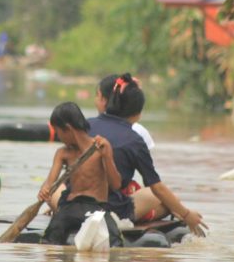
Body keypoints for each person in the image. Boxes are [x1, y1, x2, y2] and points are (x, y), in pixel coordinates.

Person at [89, 73, 208, 237]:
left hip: (77, 203)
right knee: (163, 197)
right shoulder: (135, 140)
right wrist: (187, 215)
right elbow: (156, 187)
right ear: (138, 114)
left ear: (107, 102)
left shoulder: (85, 126)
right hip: (113, 209)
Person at [39, 102, 122, 246]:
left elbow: (116, 185)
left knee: (115, 241)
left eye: (58, 132)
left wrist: (107, 156)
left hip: (96, 207)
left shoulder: (100, 148)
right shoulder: (63, 153)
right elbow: (50, 182)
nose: (58, 137)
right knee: (51, 236)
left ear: (68, 129)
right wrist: (44, 191)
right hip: (70, 206)